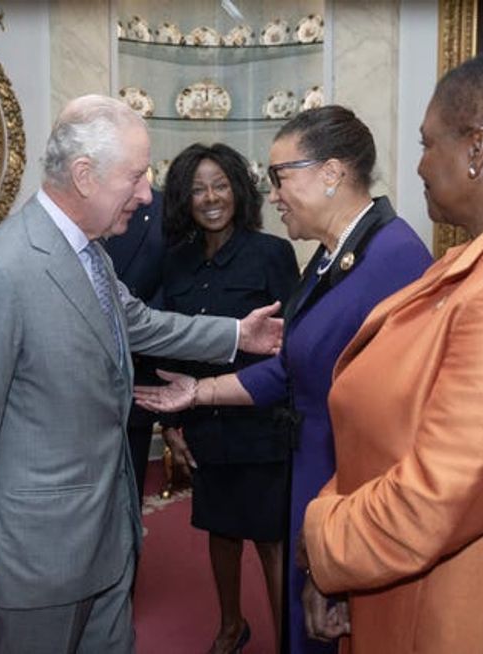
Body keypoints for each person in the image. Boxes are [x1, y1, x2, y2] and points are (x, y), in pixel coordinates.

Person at [0, 94, 284, 654]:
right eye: (137, 177)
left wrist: (238, 335)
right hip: (38, 559)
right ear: (85, 176)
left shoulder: (90, 254)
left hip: (110, 540)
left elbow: (140, 322)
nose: (148, 195)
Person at [298, 48, 483, 652]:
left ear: (477, 149)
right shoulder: (482, 257)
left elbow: (437, 498)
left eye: (427, 143)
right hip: (401, 581)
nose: (417, 166)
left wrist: (320, 537)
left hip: (465, 614)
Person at [134, 106, 432, 654]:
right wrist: (198, 392)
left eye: (280, 177)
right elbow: (292, 362)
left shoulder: (395, 259)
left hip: (348, 486)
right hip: (314, 472)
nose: (272, 195)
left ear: (331, 173)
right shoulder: (332, 257)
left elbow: (402, 421)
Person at [157, 143, 299, 653]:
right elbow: (166, 344)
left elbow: (294, 345)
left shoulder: (272, 254)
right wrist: (170, 427)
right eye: (197, 188)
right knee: (220, 529)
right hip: (203, 422)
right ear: (183, 199)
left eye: (219, 185)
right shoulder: (174, 263)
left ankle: (289, 640)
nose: (210, 197)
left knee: (270, 537)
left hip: (261, 420)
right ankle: (231, 626)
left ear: (238, 190)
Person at [102, 189, 166, 500]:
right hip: (74, 391)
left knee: (128, 499)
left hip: (136, 373)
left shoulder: (159, 209)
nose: (144, 187)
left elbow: (168, 293)